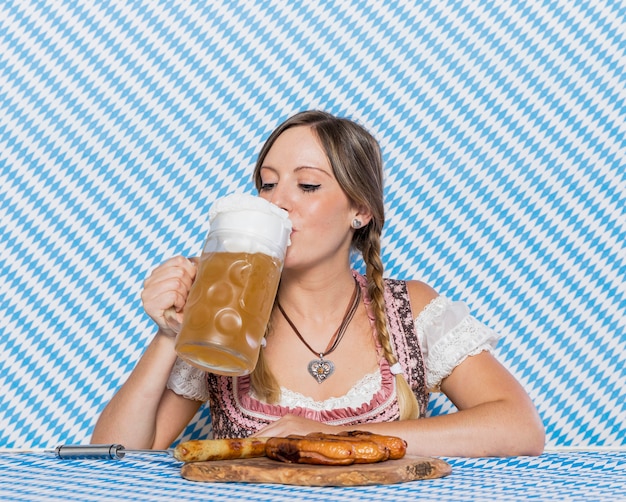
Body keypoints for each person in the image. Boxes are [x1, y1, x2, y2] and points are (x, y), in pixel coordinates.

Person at [92, 110, 545, 457]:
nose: (278, 203)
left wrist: (334, 436)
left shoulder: (409, 307)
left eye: (307, 185)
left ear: (360, 211)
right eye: (267, 185)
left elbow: (519, 427)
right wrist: (170, 332)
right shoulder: (225, 314)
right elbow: (116, 455)